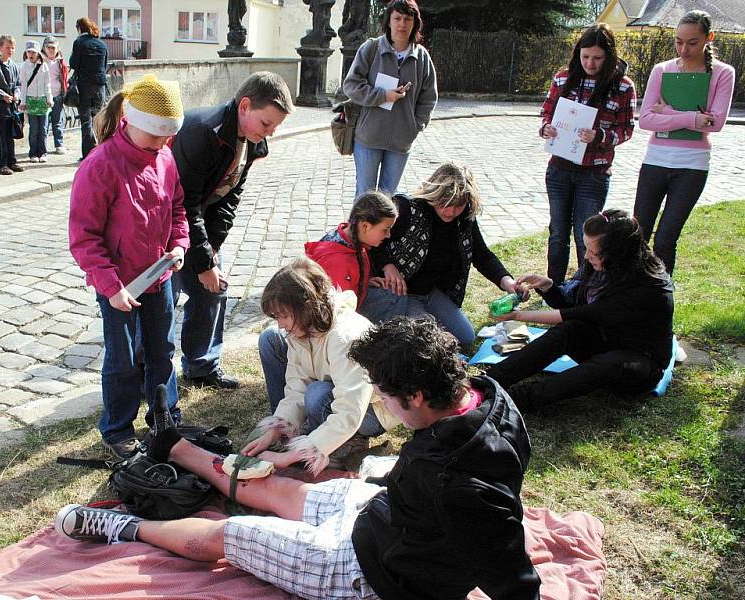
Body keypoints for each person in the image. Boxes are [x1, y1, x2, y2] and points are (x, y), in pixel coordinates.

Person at [55, 316, 541, 600]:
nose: (381, 404)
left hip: (369, 571)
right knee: (285, 489)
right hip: (391, 517)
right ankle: (175, 447)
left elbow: (511, 572)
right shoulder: (482, 392)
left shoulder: (462, 489)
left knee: (234, 534)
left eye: (385, 397)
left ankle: (125, 529)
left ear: (415, 396)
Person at [68, 74, 189, 459]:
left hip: (161, 277)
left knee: (162, 349)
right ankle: (118, 429)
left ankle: (164, 417)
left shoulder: (165, 157)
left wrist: (179, 244)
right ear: (132, 121)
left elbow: (178, 209)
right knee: (122, 359)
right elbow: (84, 237)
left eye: (168, 136)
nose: (162, 144)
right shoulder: (100, 165)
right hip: (118, 286)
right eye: (155, 135)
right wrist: (110, 285)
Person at [171, 71, 293, 390]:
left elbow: (230, 194)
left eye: (276, 127)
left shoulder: (251, 139)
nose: (270, 133)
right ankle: (149, 373)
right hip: (166, 227)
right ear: (245, 105)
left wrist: (212, 249)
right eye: (267, 124)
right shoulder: (202, 133)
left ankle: (201, 367)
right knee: (162, 302)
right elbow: (186, 204)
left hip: (198, 221)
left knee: (214, 291)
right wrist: (204, 263)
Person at [486, 209, 674, 411]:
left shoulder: (649, 288)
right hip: (607, 341)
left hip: (640, 364)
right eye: (586, 248)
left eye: (593, 253)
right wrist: (549, 287)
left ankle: (516, 400)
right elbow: (573, 306)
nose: (586, 256)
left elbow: (583, 313)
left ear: (618, 253)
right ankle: (491, 380)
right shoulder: (603, 266)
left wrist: (518, 315)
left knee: (611, 362)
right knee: (570, 330)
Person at [255, 256, 399, 473]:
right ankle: (303, 433)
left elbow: (350, 411)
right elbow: (296, 384)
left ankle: (349, 443)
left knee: (316, 394)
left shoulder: (346, 337)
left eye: (283, 316)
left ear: (305, 307)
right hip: (341, 395)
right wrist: (276, 430)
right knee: (271, 338)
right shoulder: (303, 326)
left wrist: (294, 456)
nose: (280, 325)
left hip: (374, 410)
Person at [360, 162, 527, 347]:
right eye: (444, 204)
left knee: (465, 337)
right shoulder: (409, 209)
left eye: (458, 205)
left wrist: (507, 282)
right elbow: (373, 240)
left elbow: (482, 255)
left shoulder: (464, 219)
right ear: (433, 196)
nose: (450, 211)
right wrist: (387, 265)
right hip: (401, 292)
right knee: (431, 341)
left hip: (431, 291)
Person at [633, 10, 735, 275]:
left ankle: (662, 293)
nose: (684, 49)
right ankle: (633, 291)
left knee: (666, 237)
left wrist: (667, 113)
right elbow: (645, 119)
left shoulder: (723, 74)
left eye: (692, 42)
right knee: (638, 233)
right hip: (655, 160)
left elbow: (716, 122)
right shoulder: (662, 70)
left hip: (692, 165)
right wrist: (692, 118)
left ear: (708, 38)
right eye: (678, 41)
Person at [539, 23, 636, 284]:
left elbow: (627, 129)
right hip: (559, 167)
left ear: (609, 56)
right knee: (557, 231)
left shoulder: (623, 86)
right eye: (585, 56)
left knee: (588, 235)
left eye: (597, 58)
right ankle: (554, 287)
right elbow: (546, 112)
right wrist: (546, 128)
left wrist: (600, 137)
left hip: (594, 172)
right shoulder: (563, 78)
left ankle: (586, 286)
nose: (590, 63)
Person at [342, 0, 438, 198]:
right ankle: (357, 229)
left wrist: (415, 126)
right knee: (364, 197)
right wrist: (383, 96)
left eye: (407, 19)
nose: (402, 24)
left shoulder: (422, 58)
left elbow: (429, 98)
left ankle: (383, 231)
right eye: (397, 18)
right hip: (369, 137)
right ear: (389, 21)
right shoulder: (371, 49)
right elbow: (351, 86)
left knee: (387, 199)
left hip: (401, 141)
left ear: (414, 23)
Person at [304, 190, 397, 309]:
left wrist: (362, 281)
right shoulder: (338, 262)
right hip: (340, 316)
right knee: (395, 300)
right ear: (365, 226)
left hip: (353, 299)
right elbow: (339, 311)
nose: (388, 235)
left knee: (394, 295)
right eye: (385, 229)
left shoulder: (352, 238)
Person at [70, 17, 108, 159]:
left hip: (84, 86)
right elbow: (104, 65)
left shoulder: (79, 43)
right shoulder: (101, 44)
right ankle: (100, 152)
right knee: (98, 120)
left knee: (86, 121)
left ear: (80, 28)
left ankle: (87, 155)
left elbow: (73, 64)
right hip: (100, 86)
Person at [0, 35, 24, 176]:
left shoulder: (14, 65)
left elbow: (18, 84)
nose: (10, 50)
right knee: (1, 135)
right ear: (0, 48)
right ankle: (1, 163)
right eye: (7, 48)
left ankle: (11, 161)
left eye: (12, 48)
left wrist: (16, 93)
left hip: (12, 105)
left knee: (11, 134)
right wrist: (3, 95)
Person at [19, 40, 53, 163]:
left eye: (33, 52)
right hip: (31, 100)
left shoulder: (44, 66)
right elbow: (23, 86)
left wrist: (49, 99)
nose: (31, 54)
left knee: (43, 129)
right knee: (33, 129)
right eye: (29, 52)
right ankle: (33, 153)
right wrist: (22, 102)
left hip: (43, 100)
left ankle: (43, 152)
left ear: (38, 53)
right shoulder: (24, 66)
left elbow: (47, 84)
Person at [42, 35, 69, 155]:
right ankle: (42, 146)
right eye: (49, 47)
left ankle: (59, 144)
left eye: (54, 47)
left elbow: (64, 77)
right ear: (44, 48)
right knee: (44, 123)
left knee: (57, 121)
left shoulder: (61, 62)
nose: (51, 50)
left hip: (57, 95)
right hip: (43, 96)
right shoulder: (40, 60)